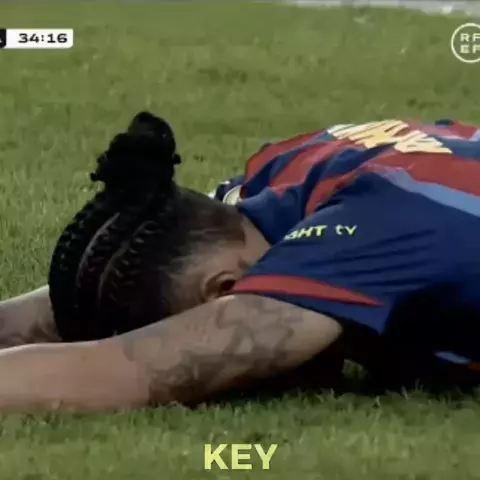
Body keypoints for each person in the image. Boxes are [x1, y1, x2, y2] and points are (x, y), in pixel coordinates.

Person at [0, 111, 480, 412]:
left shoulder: (368, 232)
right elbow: (84, 297)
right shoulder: (272, 184)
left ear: (223, 291)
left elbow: (127, 369)